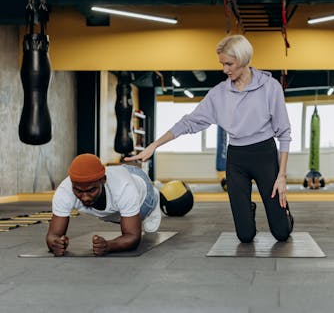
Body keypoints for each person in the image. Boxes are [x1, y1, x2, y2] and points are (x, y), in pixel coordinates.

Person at [126, 34, 293, 243]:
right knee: (245, 236)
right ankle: (247, 210)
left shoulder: (270, 87)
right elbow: (188, 122)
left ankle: (284, 216)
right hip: (237, 157)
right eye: (222, 64)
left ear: (242, 59)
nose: (225, 70)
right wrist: (154, 145)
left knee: (281, 233)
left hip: (265, 155)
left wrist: (282, 176)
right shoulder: (218, 94)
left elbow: (284, 133)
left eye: (229, 64)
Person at [46, 154, 162, 256]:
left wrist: (109, 245)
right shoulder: (64, 191)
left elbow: (133, 236)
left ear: (103, 180)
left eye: (91, 190)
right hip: (116, 177)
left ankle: (155, 198)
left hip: (142, 187)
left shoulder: (124, 188)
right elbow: (53, 235)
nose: (85, 197)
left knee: (138, 215)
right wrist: (55, 244)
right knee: (118, 215)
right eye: (78, 191)